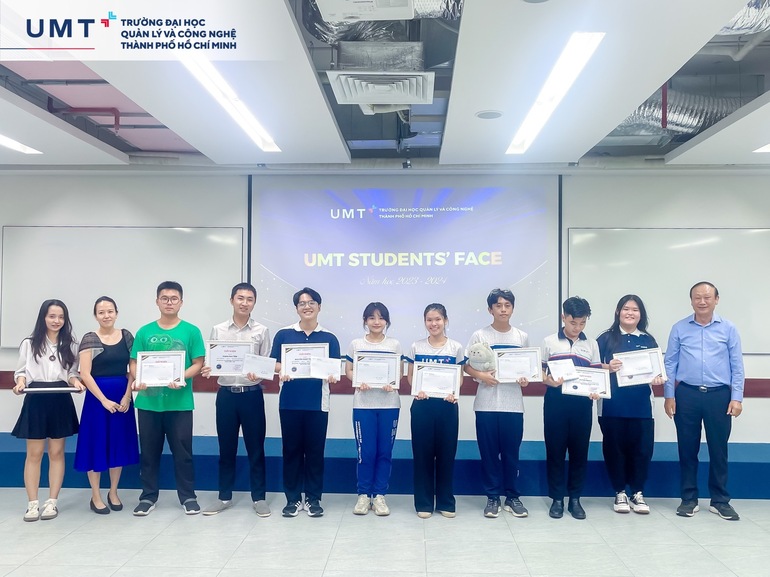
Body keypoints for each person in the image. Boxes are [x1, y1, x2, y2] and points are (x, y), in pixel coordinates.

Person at [664, 281, 744, 521]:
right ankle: (689, 499)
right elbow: (670, 363)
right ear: (691, 301)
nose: (702, 301)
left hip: (719, 395)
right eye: (697, 297)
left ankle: (720, 501)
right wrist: (669, 395)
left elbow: (737, 366)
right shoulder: (679, 328)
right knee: (687, 448)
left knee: (719, 450)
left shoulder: (729, 328)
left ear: (716, 300)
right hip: (686, 394)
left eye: (707, 297)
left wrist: (737, 398)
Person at [129, 281, 205, 516]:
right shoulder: (144, 331)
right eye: (165, 298)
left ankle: (188, 497)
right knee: (149, 454)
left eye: (174, 298)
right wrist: (138, 378)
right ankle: (148, 497)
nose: (169, 302)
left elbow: (198, 363)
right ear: (157, 302)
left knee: (183, 454)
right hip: (148, 403)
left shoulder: (191, 331)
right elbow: (134, 362)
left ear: (181, 302)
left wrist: (181, 376)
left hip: (179, 403)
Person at [201, 283, 272, 517]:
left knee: (256, 448)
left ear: (254, 303)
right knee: (226, 448)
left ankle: (259, 498)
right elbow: (211, 361)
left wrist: (258, 373)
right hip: (226, 396)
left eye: (249, 299)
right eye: (240, 298)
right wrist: (208, 368)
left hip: (251, 394)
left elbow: (266, 363)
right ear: (231, 300)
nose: (244, 303)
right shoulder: (218, 330)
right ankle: (224, 497)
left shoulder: (262, 330)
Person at [12, 299, 84, 521]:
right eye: (52, 316)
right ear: (43, 317)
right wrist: (20, 383)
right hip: (36, 398)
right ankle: (32, 504)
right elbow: (21, 371)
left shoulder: (71, 344)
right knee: (34, 454)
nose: (56, 321)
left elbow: (72, 372)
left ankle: (52, 502)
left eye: (61, 317)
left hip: (60, 398)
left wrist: (76, 381)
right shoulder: (29, 343)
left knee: (56, 452)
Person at [271, 287, 340, 518]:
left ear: (319, 306)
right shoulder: (284, 334)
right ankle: (292, 499)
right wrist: (284, 368)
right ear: (296, 308)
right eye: (302, 303)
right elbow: (273, 363)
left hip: (317, 403)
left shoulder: (329, 338)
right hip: (289, 402)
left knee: (315, 452)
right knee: (291, 451)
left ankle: (313, 498)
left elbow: (335, 369)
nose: (307, 307)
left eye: (311, 303)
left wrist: (332, 375)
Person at [464, 289, 531, 519]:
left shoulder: (521, 337)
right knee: (489, 454)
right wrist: (481, 376)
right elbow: (467, 365)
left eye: (507, 305)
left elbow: (527, 367)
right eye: (498, 305)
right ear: (490, 309)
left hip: (513, 405)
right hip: (486, 404)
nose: (503, 309)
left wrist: (525, 378)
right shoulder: (479, 335)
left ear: (513, 308)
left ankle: (512, 497)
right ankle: (492, 497)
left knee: (512, 454)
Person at [596, 295, 663, 515]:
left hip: (642, 406)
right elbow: (592, 367)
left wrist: (658, 378)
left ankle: (637, 492)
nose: (630, 313)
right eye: (626, 309)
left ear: (641, 314)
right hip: (612, 406)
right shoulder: (605, 338)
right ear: (618, 312)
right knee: (614, 450)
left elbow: (657, 371)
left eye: (635, 310)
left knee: (642, 450)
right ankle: (619, 492)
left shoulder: (648, 340)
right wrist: (608, 367)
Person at [74, 296, 139, 514]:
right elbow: (85, 373)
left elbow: (133, 369)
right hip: (97, 399)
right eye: (101, 312)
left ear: (116, 313)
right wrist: (103, 400)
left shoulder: (127, 336)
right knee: (96, 444)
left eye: (110, 311)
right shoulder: (90, 339)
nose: (106, 315)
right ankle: (95, 495)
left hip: (121, 398)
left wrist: (127, 396)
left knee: (117, 444)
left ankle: (113, 491)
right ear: (95, 316)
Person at [541, 296, 601, 520]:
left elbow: (596, 375)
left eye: (582, 323)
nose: (577, 328)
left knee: (579, 451)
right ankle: (557, 499)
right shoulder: (549, 342)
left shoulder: (591, 344)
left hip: (582, 404)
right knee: (555, 450)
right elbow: (540, 372)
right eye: (573, 322)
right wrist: (549, 381)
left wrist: (596, 390)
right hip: (556, 402)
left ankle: (575, 499)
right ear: (563, 317)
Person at [406, 303, 463, 519]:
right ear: (425, 322)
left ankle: (446, 501)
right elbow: (411, 376)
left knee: (447, 455)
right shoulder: (416, 346)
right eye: (429, 320)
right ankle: (424, 502)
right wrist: (417, 390)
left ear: (445, 321)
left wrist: (453, 392)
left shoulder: (455, 347)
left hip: (448, 406)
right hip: (422, 405)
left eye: (438, 319)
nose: (434, 323)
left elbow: (459, 376)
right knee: (422, 455)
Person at [345, 302, 402, 516]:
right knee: (365, 452)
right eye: (371, 317)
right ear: (365, 321)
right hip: (363, 405)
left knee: (384, 452)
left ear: (387, 321)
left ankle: (379, 495)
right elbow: (349, 370)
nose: (376, 322)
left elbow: (399, 373)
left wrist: (392, 383)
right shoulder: (356, 344)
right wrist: (358, 380)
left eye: (381, 317)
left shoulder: (394, 344)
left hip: (389, 404)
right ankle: (363, 495)